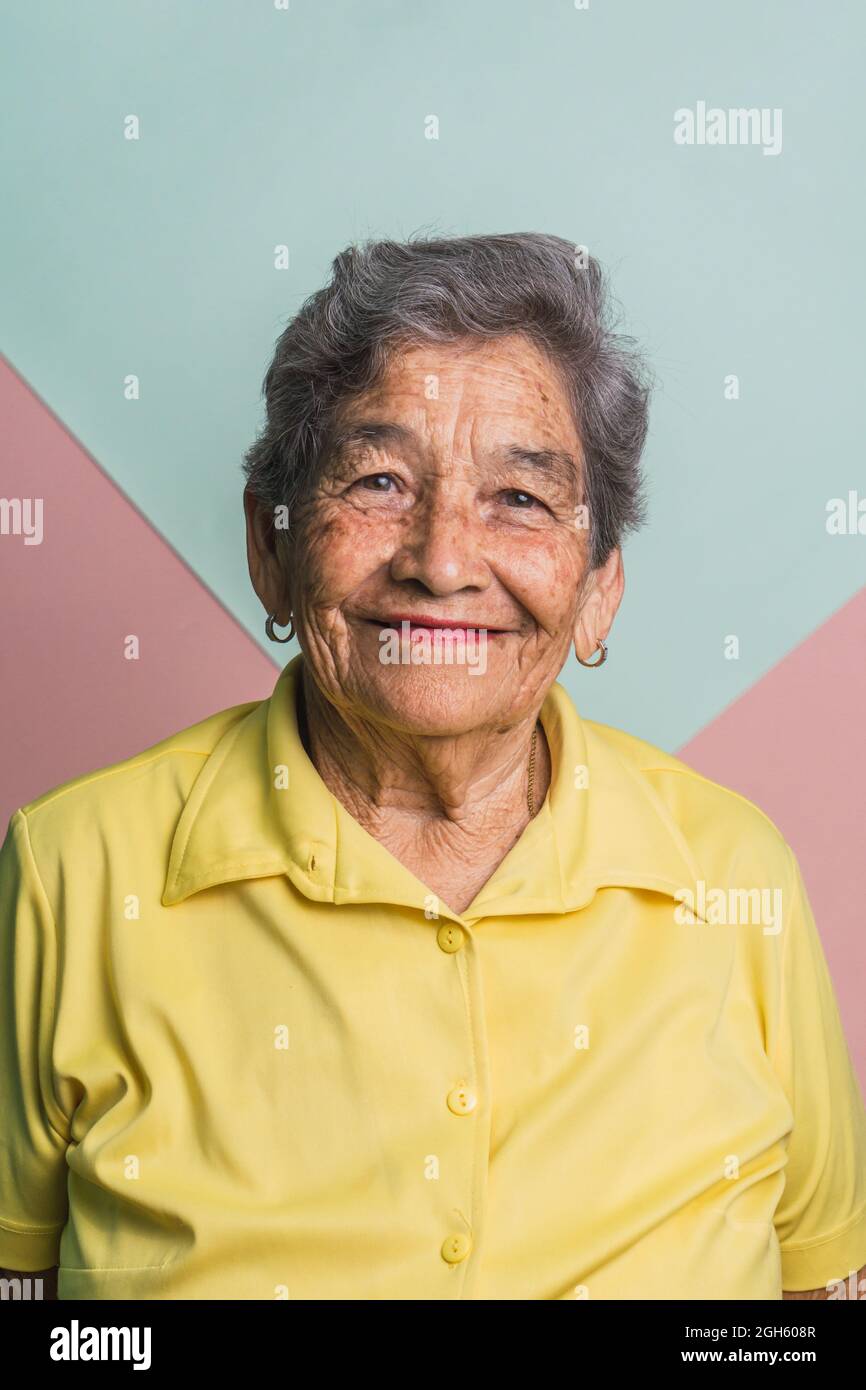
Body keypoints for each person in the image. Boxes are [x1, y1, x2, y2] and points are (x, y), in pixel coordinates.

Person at [2, 233, 864, 1300]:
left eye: (519, 498)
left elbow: (818, 1291)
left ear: (598, 588)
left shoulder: (735, 875)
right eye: (377, 481)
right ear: (270, 551)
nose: (442, 560)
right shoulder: (72, 871)